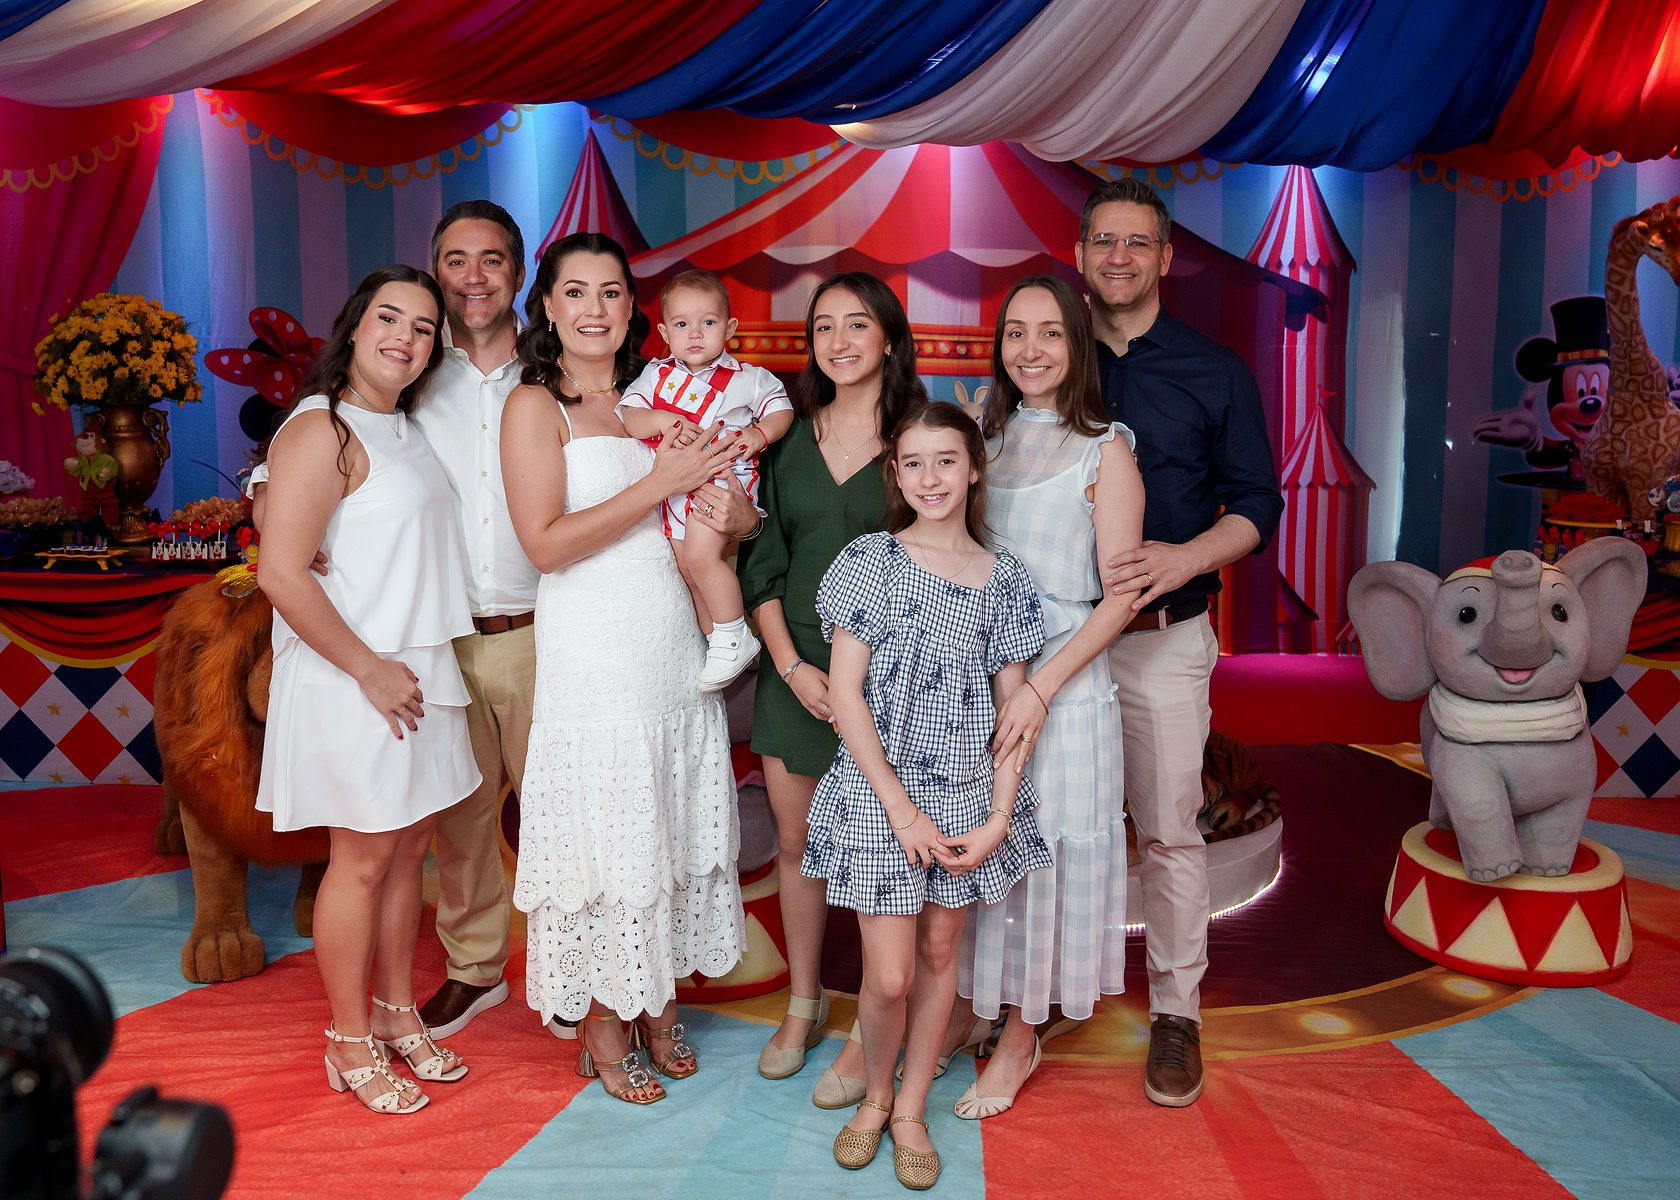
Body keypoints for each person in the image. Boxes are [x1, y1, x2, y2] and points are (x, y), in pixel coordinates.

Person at [249, 200, 539, 1042]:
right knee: (440, 835)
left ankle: (574, 984)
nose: (473, 277)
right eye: (455, 261)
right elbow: (293, 488)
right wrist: (271, 507)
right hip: (417, 646)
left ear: (518, 273)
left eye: (492, 259)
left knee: (534, 820)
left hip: (527, 627)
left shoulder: (549, 366)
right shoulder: (394, 386)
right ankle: (466, 976)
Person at [501, 232, 747, 1106]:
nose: (595, 308)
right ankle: (601, 1020)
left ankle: (656, 1000)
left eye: (610, 291)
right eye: (576, 291)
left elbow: (718, 498)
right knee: (610, 828)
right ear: (549, 306)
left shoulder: (661, 391)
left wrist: (737, 515)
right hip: (593, 643)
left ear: (631, 307)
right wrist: (657, 483)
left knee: (665, 822)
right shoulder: (536, 405)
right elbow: (544, 544)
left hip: (669, 634)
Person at [1078, 178, 1284, 1107]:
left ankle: (1175, 1015)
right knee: (1052, 824)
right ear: (1081, 255)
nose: (1118, 257)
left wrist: (1183, 558)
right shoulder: (1049, 358)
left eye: (1136, 242)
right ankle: (1038, 998)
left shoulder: (1215, 370)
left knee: (1168, 831)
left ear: (1164, 257)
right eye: (1103, 241)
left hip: (1162, 639)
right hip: (1058, 644)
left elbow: (1258, 504)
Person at [810, 401, 1051, 1189]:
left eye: (946, 460)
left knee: (942, 952)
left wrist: (999, 816)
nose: (930, 477)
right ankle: (876, 1095)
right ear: (896, 474)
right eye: (912, 463)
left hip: (965, 794)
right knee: (888, 976)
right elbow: (846, 696)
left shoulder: (1004, 577)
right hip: (882, 793)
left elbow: (1013, 713)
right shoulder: (871, 559)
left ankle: (911, 1106)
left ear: (974, 469)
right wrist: (900, 809)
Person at [255, 265, 476, 1115]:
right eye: (389, 318)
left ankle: (393, 1012)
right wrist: (369, 669)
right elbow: (281, 572)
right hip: (356, 673)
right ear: (354, 326)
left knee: (408, 850)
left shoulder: (404, 426)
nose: (404, 338)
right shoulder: (324, 428)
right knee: (361, 861)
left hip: (417, 665)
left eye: (423, 328)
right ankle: (347, 1039)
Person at [941, 275, 1146, 1119]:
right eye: (1016, 333)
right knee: (980, 848)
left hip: (1064, 683)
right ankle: (970, 1006)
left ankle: (1023, 1033)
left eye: (1051, 333)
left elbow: (1122, 598)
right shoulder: (980, 439)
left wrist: (1042, 690)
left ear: (1078, 346)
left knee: (1044, 851)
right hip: (982, 680)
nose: (1031, 350)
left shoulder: (1107, 450)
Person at [736, 272, 925, 1108]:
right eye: (823, 327)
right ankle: (805, 1001)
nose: (839, 342)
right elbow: (761, 564)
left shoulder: (922, 437)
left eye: (857, 324)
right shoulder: (783, 440)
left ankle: (874, 1020)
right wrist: (789, 665)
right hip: (797, 671)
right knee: (797, 841)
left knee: (886, 851)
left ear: (888, 337)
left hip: (894, 680)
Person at [618, 268, 794, 690]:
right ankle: (717, 640)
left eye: (708, 322)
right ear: (665, 332)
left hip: (723, 481)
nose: (695, 333)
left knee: (701, 556)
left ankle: (734, 633)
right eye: (682, 324)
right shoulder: (656, 375)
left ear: (729, 328)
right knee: (687, 567)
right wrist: (661, 418)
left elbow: (781, 408)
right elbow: (630, 417)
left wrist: (760, 433)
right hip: (676, 489)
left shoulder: (748, 378)